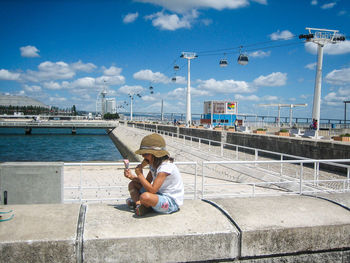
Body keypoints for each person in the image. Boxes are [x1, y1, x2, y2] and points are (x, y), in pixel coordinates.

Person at [124, 133, 184, 216]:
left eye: (146, 154)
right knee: (133, 184)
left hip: (171, 202)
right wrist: (132, 177)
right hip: (159, 195)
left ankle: (142, 205)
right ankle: (140, 205)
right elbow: (147, 182)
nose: (143, 157)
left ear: (156, 155)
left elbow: (152, 190)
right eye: (142, 154)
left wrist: (140, 174)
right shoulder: (154, 165)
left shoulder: (166, 167)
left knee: (145, 197)